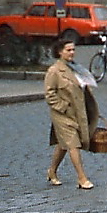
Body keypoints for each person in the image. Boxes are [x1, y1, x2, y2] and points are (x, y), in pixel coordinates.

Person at [44, 39, 99, 189]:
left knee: (63, 145)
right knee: (73, 144)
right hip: (62, 114)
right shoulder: (54, 71)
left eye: (73, 49)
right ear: (60, 52)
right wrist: (63, 107)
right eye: (68, 50)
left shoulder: (76, 69)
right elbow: (49, 94)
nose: (72, 52)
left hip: (77, 113)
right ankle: (82, 178)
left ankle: (52, 171)